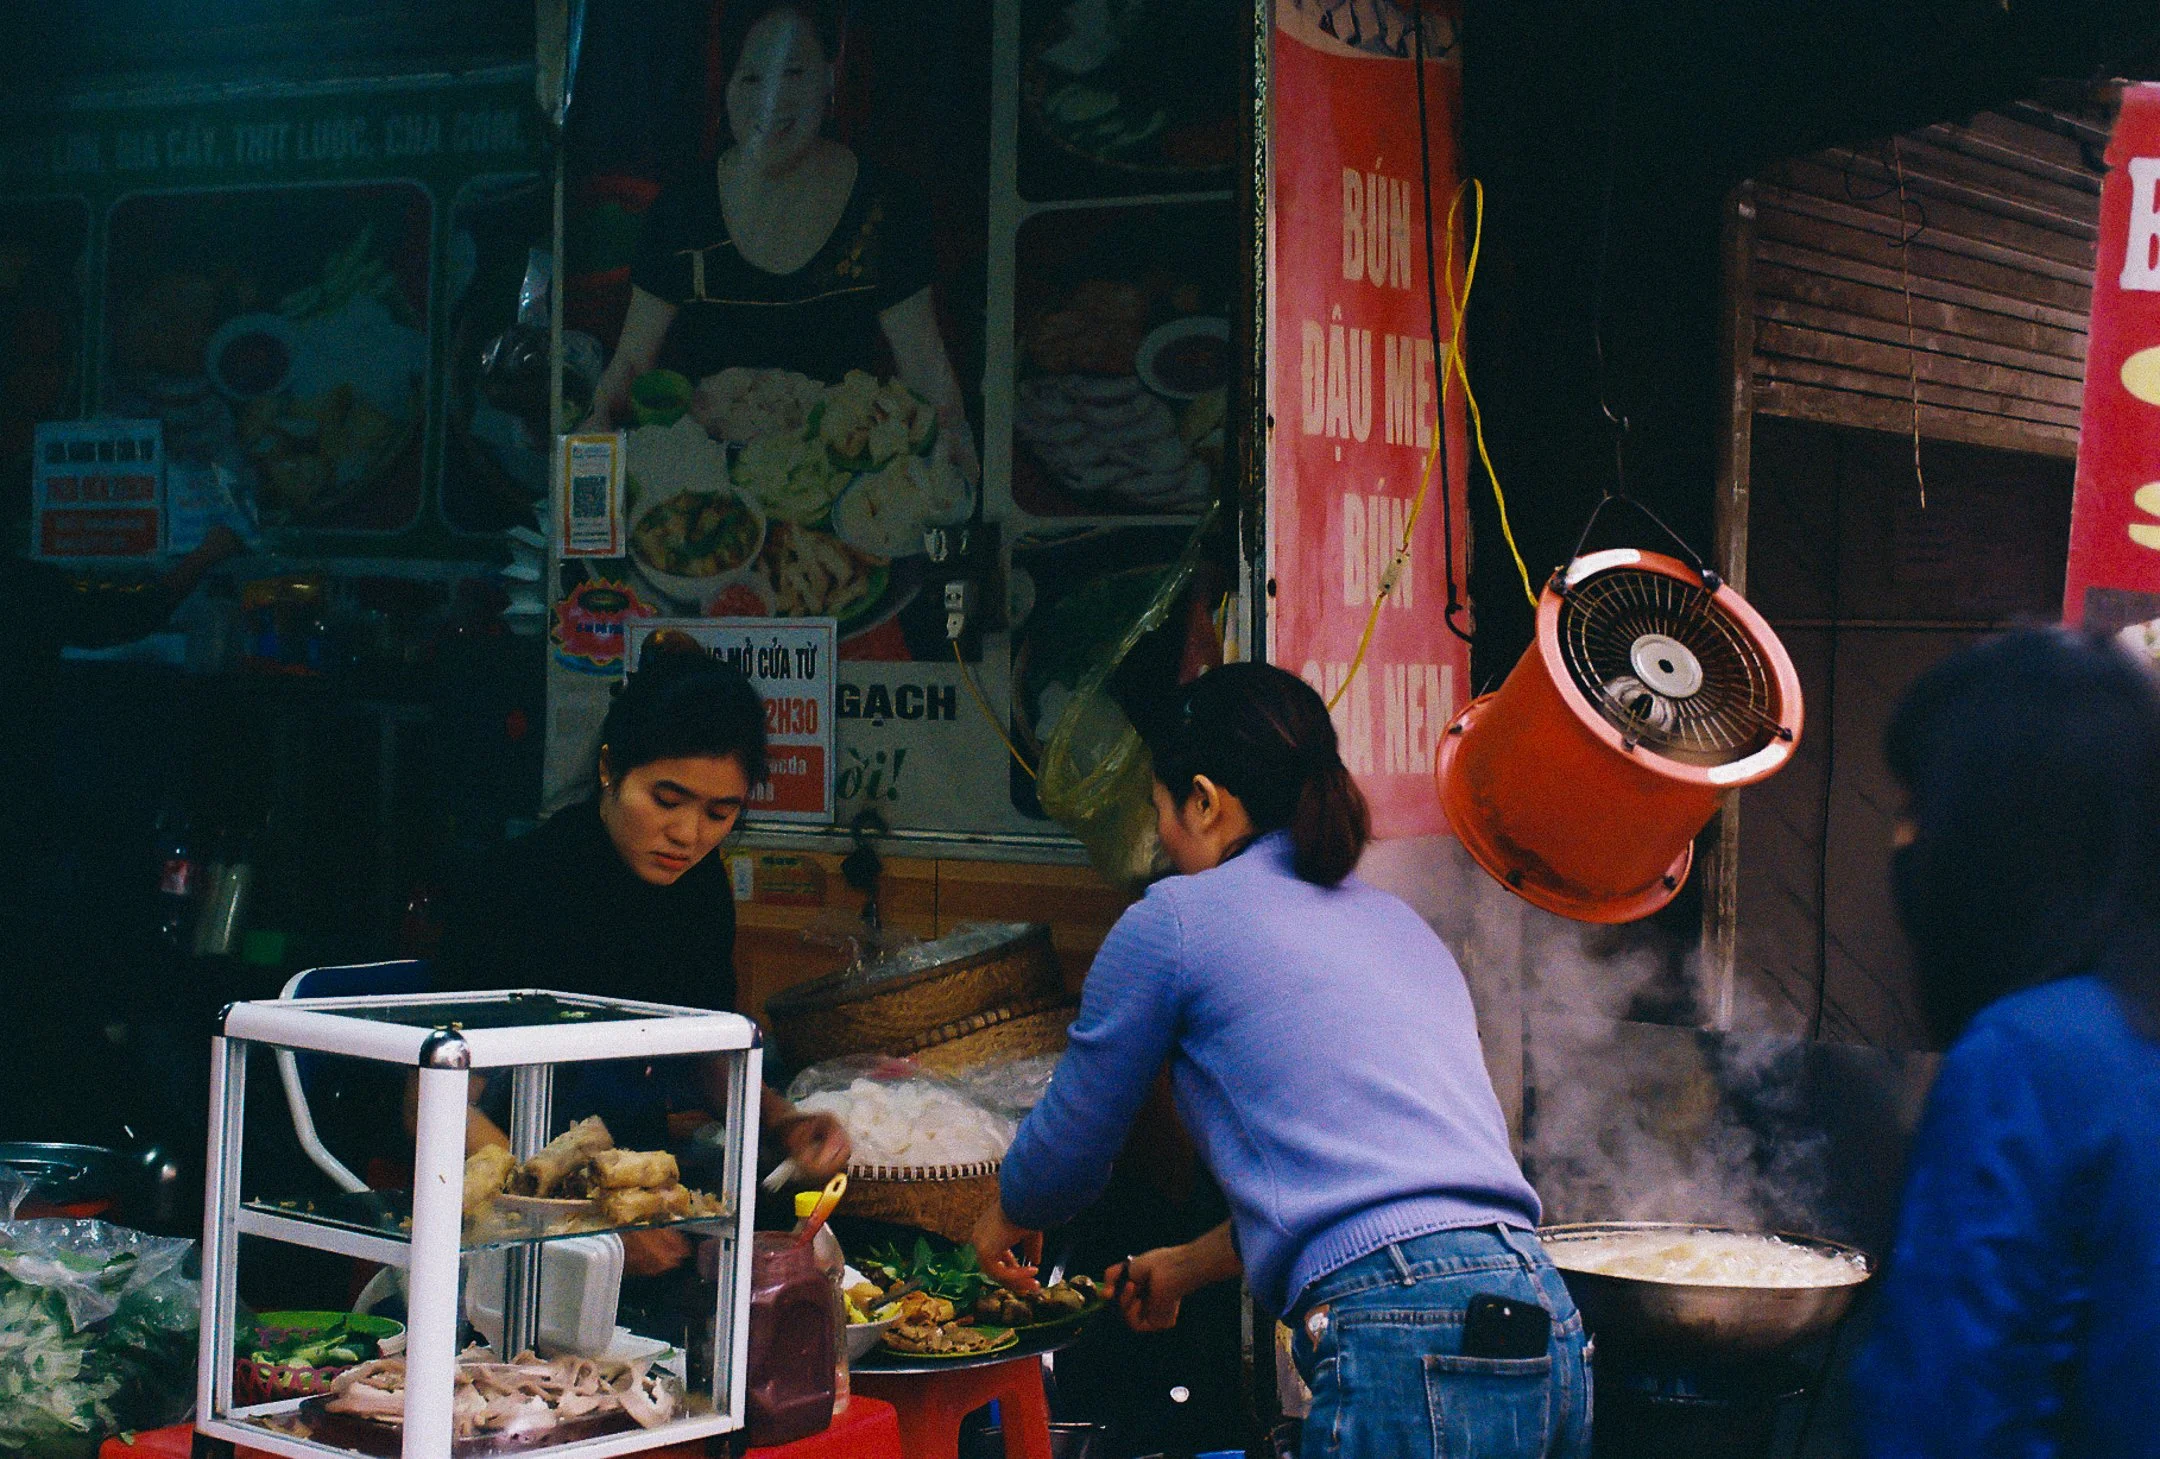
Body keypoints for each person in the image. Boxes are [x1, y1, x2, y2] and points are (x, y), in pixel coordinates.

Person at [970, 663, 1590, 1459]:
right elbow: (1379, 1194)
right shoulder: (1398, 923)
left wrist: (1005, 1214)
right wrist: (1189, 1265)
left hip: (1406, 1336)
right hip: (1545, 1318)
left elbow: (1067, 1158)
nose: (1160, 837)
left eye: (1160, 808)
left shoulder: (1175, 922)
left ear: (1204, 799)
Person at [427, 645, 848, 1272]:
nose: (688, 834)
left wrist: (782, 1122)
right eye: (667, 798)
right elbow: (433, 1105)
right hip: (498, 1219)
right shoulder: (513, 885)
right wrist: (583, 1221)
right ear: (609, 769)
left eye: (719, 812)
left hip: (635, 1188)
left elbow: (705, 1050)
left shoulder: (699, 891)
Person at [1854, 629, 2160, 1459]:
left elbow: (1941, 1414)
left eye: (1920, 804)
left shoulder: (2030, 1058)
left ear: (1996, 829)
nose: (1901, 839)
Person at [583, 0, 979, 482]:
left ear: (830, 79)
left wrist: (954, 429)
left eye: (793, 73)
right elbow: (631, 360)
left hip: (840, 479)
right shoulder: (682, 210)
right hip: (711, 481)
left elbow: (921, 358)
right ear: (724, 89)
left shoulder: (886, 203)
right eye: (751, 79)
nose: (771, 100)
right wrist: (600, 418)